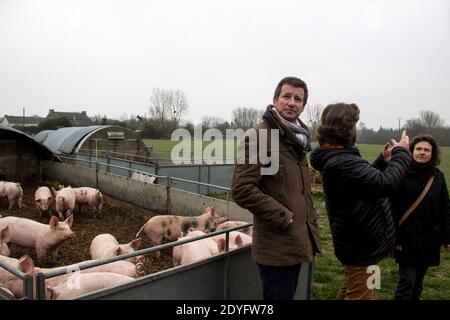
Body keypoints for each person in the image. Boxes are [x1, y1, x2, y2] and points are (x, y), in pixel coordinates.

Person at [231, 76, 322, 300]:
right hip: (277, 243)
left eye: (298, 99)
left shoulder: (298, 139)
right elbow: (242, 189)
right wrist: (284, 217)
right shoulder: (260, 137)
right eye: (287, 96)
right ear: (275, 100)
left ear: (303, 105)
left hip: (297, 240)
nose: (292, 102)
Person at [309, 103, 411, 300]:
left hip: (360, 243)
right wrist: (402, 153)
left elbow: (364, 181)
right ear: (346, 130)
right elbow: (385, 183)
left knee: (354, 289)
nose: (356, 129)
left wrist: (382, 160)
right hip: (364, 246)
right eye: (354, 125)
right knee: (361, 294)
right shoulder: (343, 161)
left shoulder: (338, 157)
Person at [391, 135, 450, 300]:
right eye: (418, 149)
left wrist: (446, 236)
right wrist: (395, 238)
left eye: (426, 150)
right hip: (406, 238)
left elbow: (445, 207)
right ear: (411, 152)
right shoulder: (402, 174)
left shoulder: (438, 177)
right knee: (407, 281)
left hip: (430, 239)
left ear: (433, 153)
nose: (422, 153)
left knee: (418, 282)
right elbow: (392, 207)